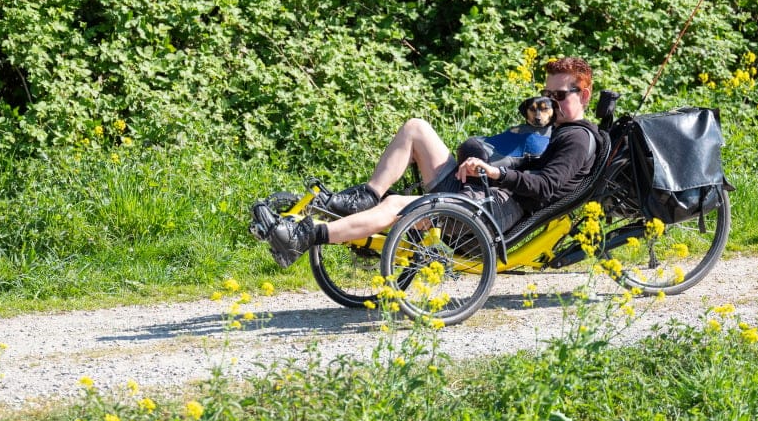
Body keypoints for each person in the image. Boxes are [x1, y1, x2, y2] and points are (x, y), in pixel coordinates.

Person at [256, 56, 602, 268]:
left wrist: (495, 172)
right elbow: (532, 168)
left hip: (493, 212)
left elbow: (545, 187)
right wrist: (485, 165)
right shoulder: (561, 131)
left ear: (583, 95)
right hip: (480, 195)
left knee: (399, 204)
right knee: (416, 129)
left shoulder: (575, 138)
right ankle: (365, 195)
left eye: (559, 96)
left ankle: (303, 237)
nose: (551, 103)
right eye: (547, 95)